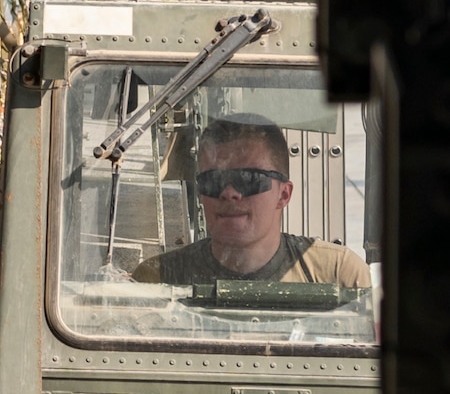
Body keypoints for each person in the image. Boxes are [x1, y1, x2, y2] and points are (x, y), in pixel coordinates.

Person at [131, 116, 371, 286]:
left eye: (248, 179)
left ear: (284, 194)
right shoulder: (158, 278)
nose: (229, 193)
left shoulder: (338, 274)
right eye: (214, 180)